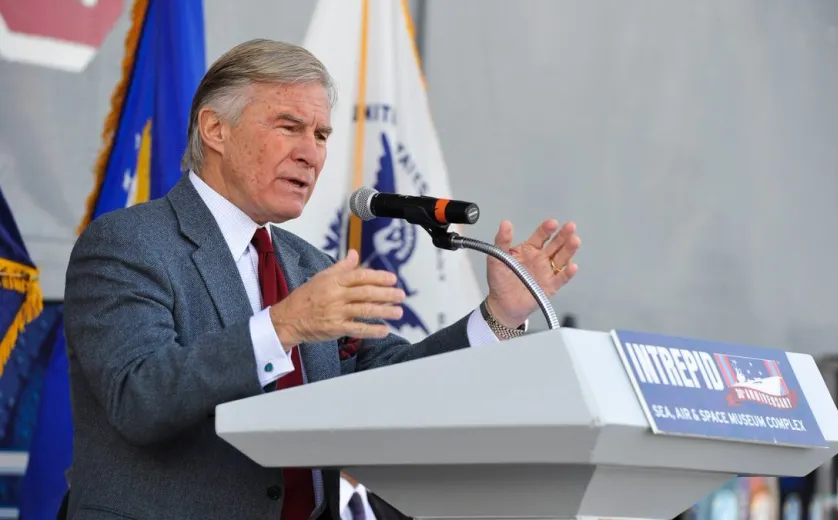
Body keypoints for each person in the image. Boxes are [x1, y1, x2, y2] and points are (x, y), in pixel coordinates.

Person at [62, 38, 581, 520]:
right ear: (215, 129)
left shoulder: (307, 264)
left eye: (322, 134)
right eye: (289, 127)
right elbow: (140, 399)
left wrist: (501, 315)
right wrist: (282, 327)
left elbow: (397, 383)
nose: (311, 153)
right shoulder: (128, 244)